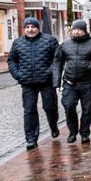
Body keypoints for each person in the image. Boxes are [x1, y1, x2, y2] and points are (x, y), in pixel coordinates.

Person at [7, 17, 60, 150]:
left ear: (38, 27)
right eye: (27, 27)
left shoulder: (50, 40)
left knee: (50, 107)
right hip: (27, 83)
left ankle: (53, 125)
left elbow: (58, 59)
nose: (30, 29)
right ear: (24, 29)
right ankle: (31, 138)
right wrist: (18, 74)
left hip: (46, 81)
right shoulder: (18, 43)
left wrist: (50, 72)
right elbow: (11, 60)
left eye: (33, 27)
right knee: (29, 110)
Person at [54, 19, 91, 144]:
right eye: (75, 29)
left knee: (87, 110)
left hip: (88, 83)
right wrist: (56, 82)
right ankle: (72, 132)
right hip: (70, 83)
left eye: (79, 30)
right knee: (69, 107)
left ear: (84, 30)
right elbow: (57, 63)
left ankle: (84, 133)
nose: (77, 32)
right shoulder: (65, 45)